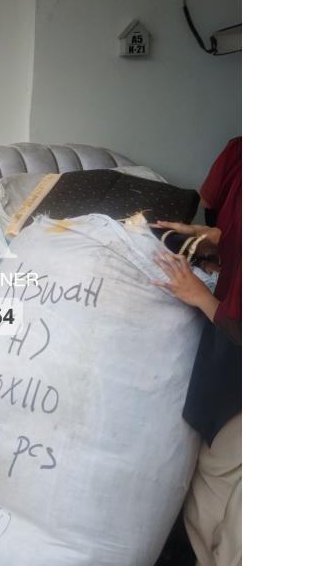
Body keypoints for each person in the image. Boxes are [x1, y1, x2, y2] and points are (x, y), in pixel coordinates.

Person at [153, 137, 242, 566]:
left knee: (223, 487)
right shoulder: (240, 152)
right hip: (229, 352)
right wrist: (212, 239)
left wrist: (200, 296)